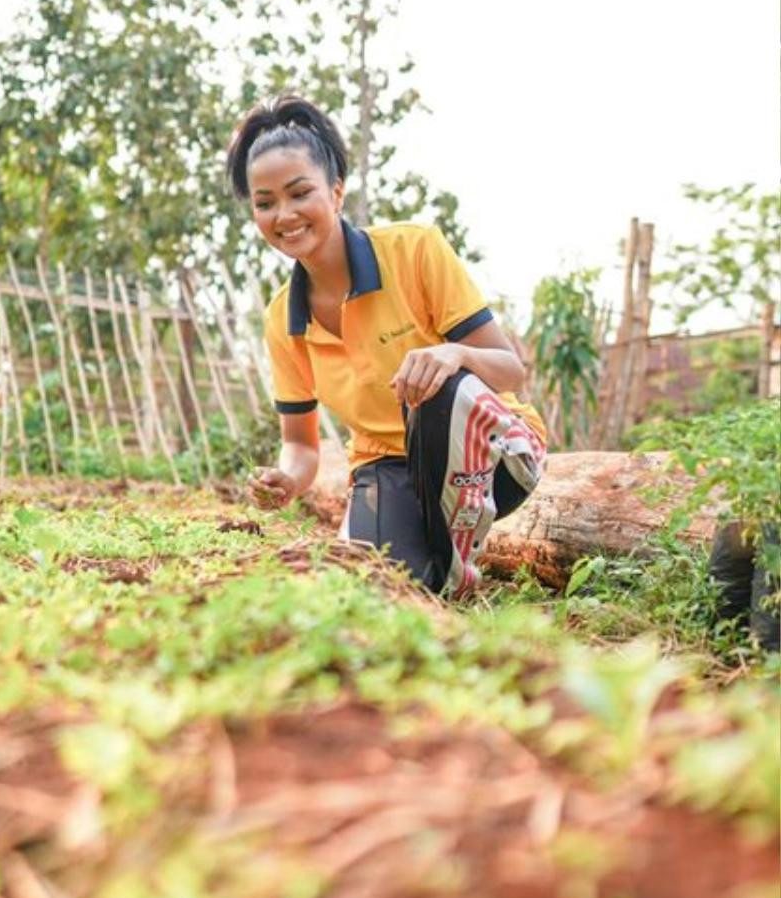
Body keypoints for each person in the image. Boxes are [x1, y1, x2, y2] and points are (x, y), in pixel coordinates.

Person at [228, 93, 548, 599]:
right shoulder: (282, 318)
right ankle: (442, 566)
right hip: (389, 470)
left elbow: (511, 371)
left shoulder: (414, 249)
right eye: (265, 203)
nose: (283, 214)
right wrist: (288, 480)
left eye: (298, 193)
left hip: (495, 454)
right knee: (385, 586)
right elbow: (301, 445)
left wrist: (454, 354)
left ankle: (456, 558)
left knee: (438, 384)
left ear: (335, 192)